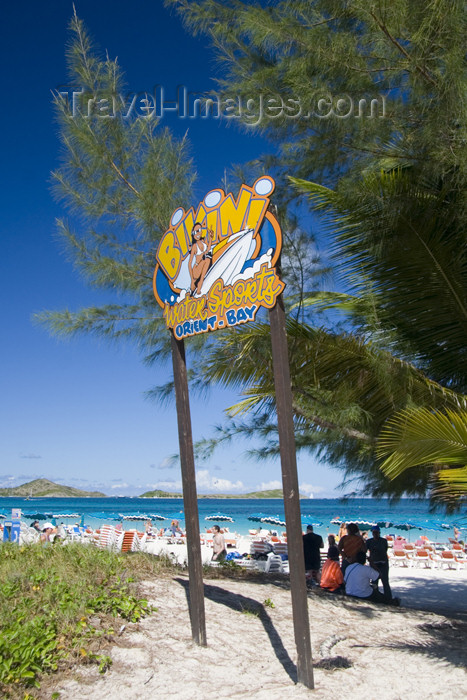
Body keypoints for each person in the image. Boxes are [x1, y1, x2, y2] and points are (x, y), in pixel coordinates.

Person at [366, 526, 392, 600]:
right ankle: (375, 597)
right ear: (372, 533)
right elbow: (364, 550)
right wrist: (369, 559)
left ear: (379, 533)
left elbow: (385, 550)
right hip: (374, 564)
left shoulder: (383, 541)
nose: (375, 534)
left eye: (376, 532)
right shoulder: (369, 541)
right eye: (374, 532)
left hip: (383, 563)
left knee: (385, 581)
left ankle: (388, 598)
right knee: (374, 582)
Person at [188, 222, 214, 295]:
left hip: (204, 265)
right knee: (207, 260)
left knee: (207, 259)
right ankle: (198, 286)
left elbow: (208, 249)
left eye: (199, 230)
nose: (198, 233)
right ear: (193, 234)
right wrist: (192, 279)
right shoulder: (194, 246)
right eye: (195, 232)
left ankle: (199, 285)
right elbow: (189, 263)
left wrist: (210, 238)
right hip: (196, 269)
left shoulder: (203, 242)